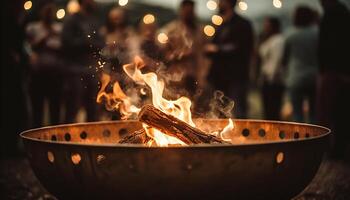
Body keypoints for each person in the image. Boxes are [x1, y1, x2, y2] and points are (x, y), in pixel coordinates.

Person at [205, 0, 254, 118]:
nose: (218, 3)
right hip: (220, 77)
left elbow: (243, 48)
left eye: (221, 1)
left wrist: (217, 49)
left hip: (236, 76)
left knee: (237, 113)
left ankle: (241, 137)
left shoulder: (243, 24)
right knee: (220, 113)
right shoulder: (221, 24)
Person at [317, 0, 350, 158]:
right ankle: (336, 147)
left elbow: (334, 45)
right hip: (337, 71)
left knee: (330, 111)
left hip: (334, 71)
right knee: (338, 111)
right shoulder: (339, 11)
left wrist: (337, 71)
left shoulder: (334, 13)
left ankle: (332, 148)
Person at [61, 0, 103, 123]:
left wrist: (90, 43)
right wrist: (86, 43)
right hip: (75, 71)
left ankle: (93, 140)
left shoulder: (93, 21)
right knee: (72, 109)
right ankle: (66, 141)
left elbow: (101, 42)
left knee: (93, 110)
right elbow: (66, 42)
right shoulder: (71, 20)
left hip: (91, 71)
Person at [26, 3, 63, 127]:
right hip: (38, 73)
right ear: (41, 13)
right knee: (37, 107)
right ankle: (36, 137)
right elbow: (30, 46)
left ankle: (56, 137)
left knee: (55, 107)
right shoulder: (33, 27)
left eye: (51, 12)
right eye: (46, 12)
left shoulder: (59, 28)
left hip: (55, 73)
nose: (49, 15)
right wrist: (47, 36)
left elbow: (64, 48)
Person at [161, 0, 207, 99]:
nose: (188, 14)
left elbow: (202, 55)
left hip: (195, 77)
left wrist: (202, 76)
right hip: (177, 77)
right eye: (186, 11)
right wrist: (180, 55)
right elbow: (165, 55)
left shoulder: (199, 31)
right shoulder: (171, 30)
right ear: (181, 11)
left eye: (191, 11)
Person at [282, 6, 318, 123]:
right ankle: (314, 139)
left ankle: (299, 140)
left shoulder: (290, 35)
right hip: (314, 77)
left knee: (297, 114)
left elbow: (284, 60)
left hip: (295, 77)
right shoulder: (317, 33)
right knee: (313, 113)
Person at [258, 17, 285, 120]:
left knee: (273, 110)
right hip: (267, 79)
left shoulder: (278, 40)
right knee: (267, 110)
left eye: (267, 25)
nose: (265, 27)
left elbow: (277, 60)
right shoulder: (269, 39)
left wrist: (271, 77)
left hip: (273, 81)